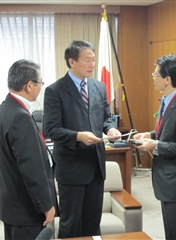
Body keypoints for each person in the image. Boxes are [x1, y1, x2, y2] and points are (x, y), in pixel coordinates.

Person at [43, 40, 121, 238]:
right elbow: (51, 130)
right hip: (71, 168)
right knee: (71, 224)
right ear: (71, 61)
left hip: (95, 166)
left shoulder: (98, 87)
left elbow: (106, 118)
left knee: (93, 222)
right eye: (87, 60)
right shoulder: (55, 90)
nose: (92, 64)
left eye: (94, 60)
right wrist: (78, 136)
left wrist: (111, 130)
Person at [133, 54, 176, 240]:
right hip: (165, 179)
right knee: (171, 232)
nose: (153, 78)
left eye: (155, 75)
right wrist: (150, 135)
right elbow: (168, 132)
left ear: (167, 79)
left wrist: (156, 145)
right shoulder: (166, 100)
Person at [0, 59, 56, 240]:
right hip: (25, 208)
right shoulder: (21, 117)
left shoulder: (4, 109)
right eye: (40, 83)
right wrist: (45, 205)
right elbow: (31, 168)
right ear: (29, 85)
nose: (41, 87)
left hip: (11, 203)